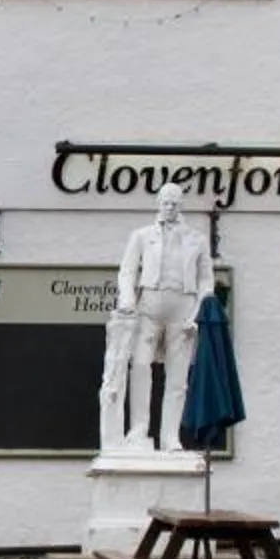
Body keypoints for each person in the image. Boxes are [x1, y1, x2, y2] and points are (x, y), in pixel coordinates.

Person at [105, 184, 215, 448]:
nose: (169, 208)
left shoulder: (197, 240)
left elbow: (206, 281)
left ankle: (170, 436)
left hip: (183, 307)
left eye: (174, 203)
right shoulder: (142, 236)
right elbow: (127, 271)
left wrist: (197, 313)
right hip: (150, 305)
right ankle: (139, 429)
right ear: (158, 204)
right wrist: (128, 299)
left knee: (178, 376)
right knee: (141, 365)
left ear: (181, 206)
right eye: (165, 203)